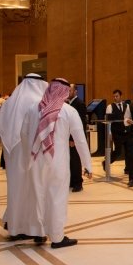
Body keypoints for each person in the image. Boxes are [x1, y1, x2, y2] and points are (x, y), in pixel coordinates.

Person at [22, 78, 92, 248]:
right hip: (57, 162)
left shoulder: (33, 109)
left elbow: (24, 133)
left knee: (37, 196)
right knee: (57, 197)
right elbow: (80, 140)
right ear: (65, 92)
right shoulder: (69, 111)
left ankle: (38, 233)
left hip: (36, 161)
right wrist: (87, 165)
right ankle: (57, 237)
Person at [0, 73, 48, 240]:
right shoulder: (39, 102)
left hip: (13, 154)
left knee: (17, 189)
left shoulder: (10, 102)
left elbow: (0, 125)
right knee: (36, 189)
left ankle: (15, 227)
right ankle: (37, 230)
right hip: (34, 153)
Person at [67, 84, 88, 192]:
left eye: (70, 90)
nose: (68, 92)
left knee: (75, 160)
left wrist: (73, 139)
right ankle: (71, 180)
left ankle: (78, 183)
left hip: (74, 138)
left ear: (75, 91)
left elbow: (81, 123)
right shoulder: (67, 103)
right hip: (67, 137)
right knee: (69, 160)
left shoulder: (80, 104)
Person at [103, 89, 128, 173]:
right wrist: (109, 133)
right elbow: (108, 121)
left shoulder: (126, 106)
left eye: (117, 96)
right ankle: (106, 162)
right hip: (116, 132)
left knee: (129, 151)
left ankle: (127, 168)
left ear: (121, 96)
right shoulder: (110, 107)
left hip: (126, 132)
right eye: (114, 96)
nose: (115, 98)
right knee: (118, 151)